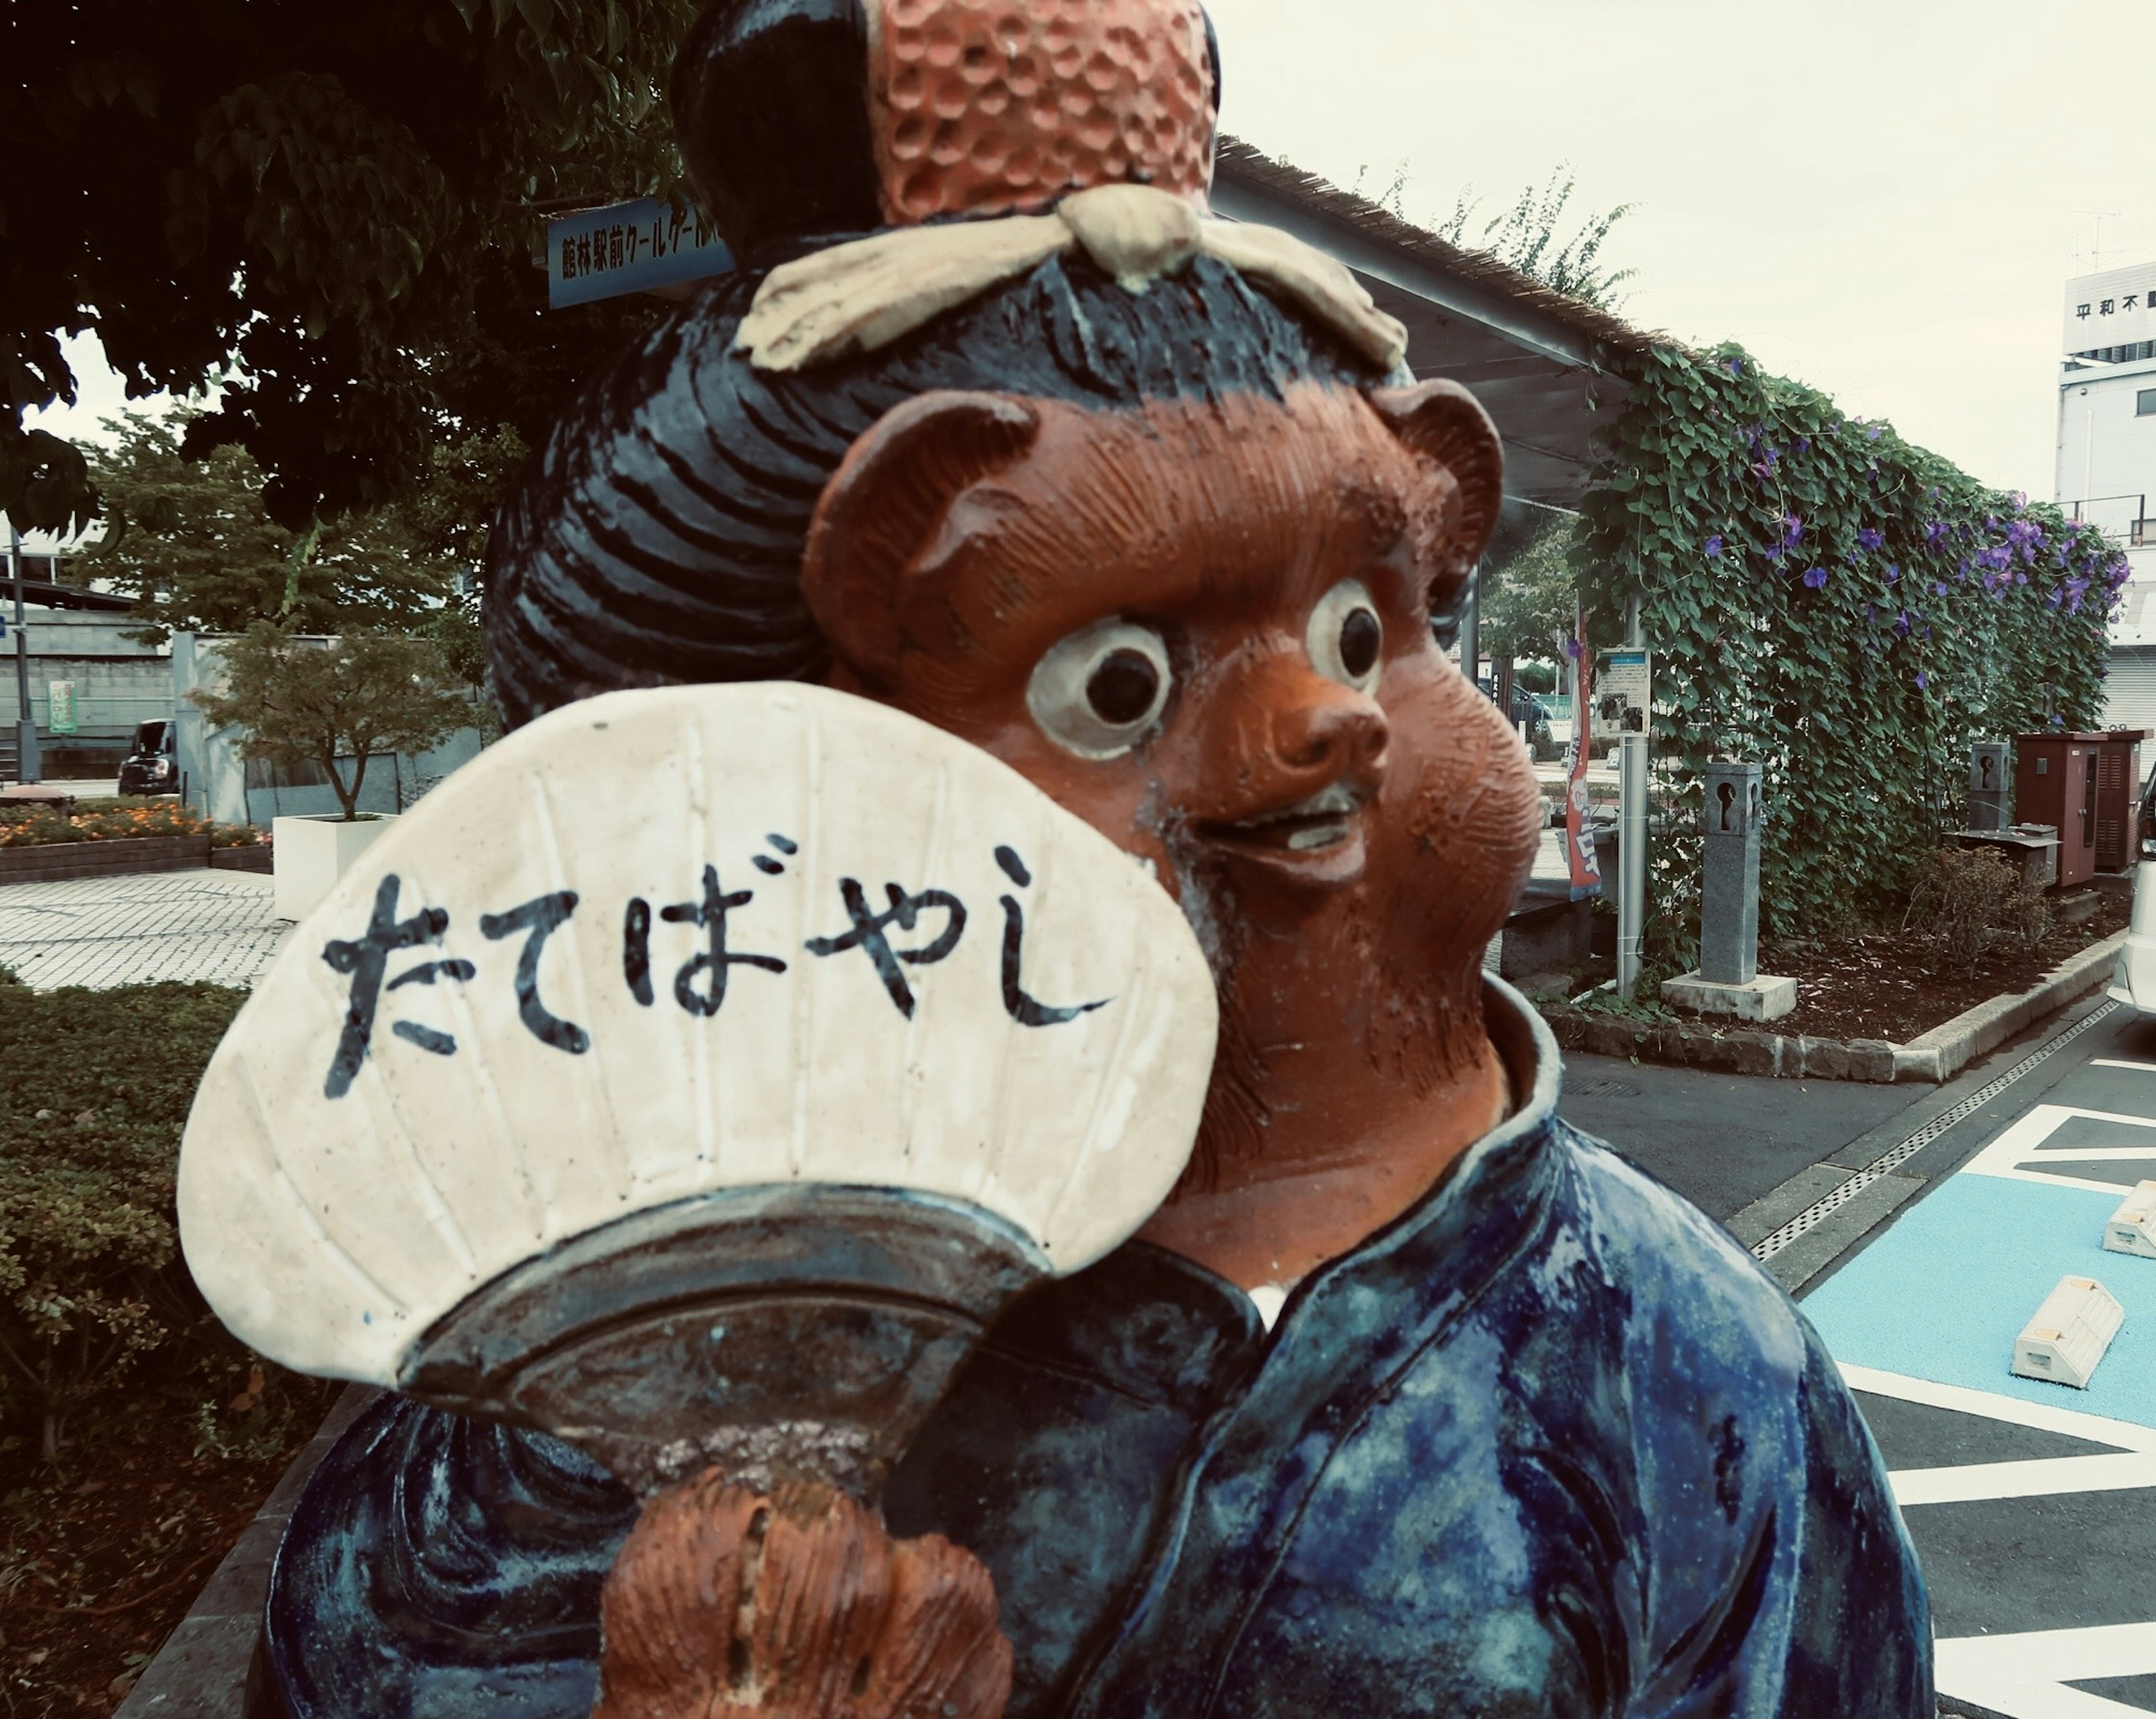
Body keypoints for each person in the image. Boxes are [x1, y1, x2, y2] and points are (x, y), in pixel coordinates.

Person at [255, 4, 1932, 1714]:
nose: (1326, 721)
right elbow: (369, 1652)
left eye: (1366, 629)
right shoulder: (576, 1424)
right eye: (1116, 680)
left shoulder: (1682, 1363)